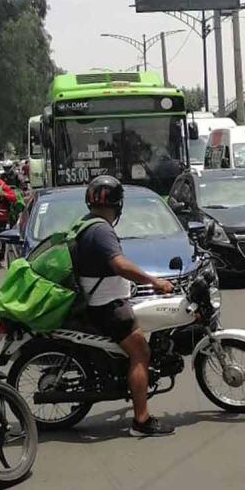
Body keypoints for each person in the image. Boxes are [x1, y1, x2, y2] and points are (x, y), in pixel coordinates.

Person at [76, 175, 175, 436]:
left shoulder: (87, 224)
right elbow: (119, 264)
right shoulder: (101, 230)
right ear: (118, 204)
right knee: (141, 352)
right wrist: (154, 280)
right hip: (107, 306)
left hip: (102, 301)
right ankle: (141, 421)